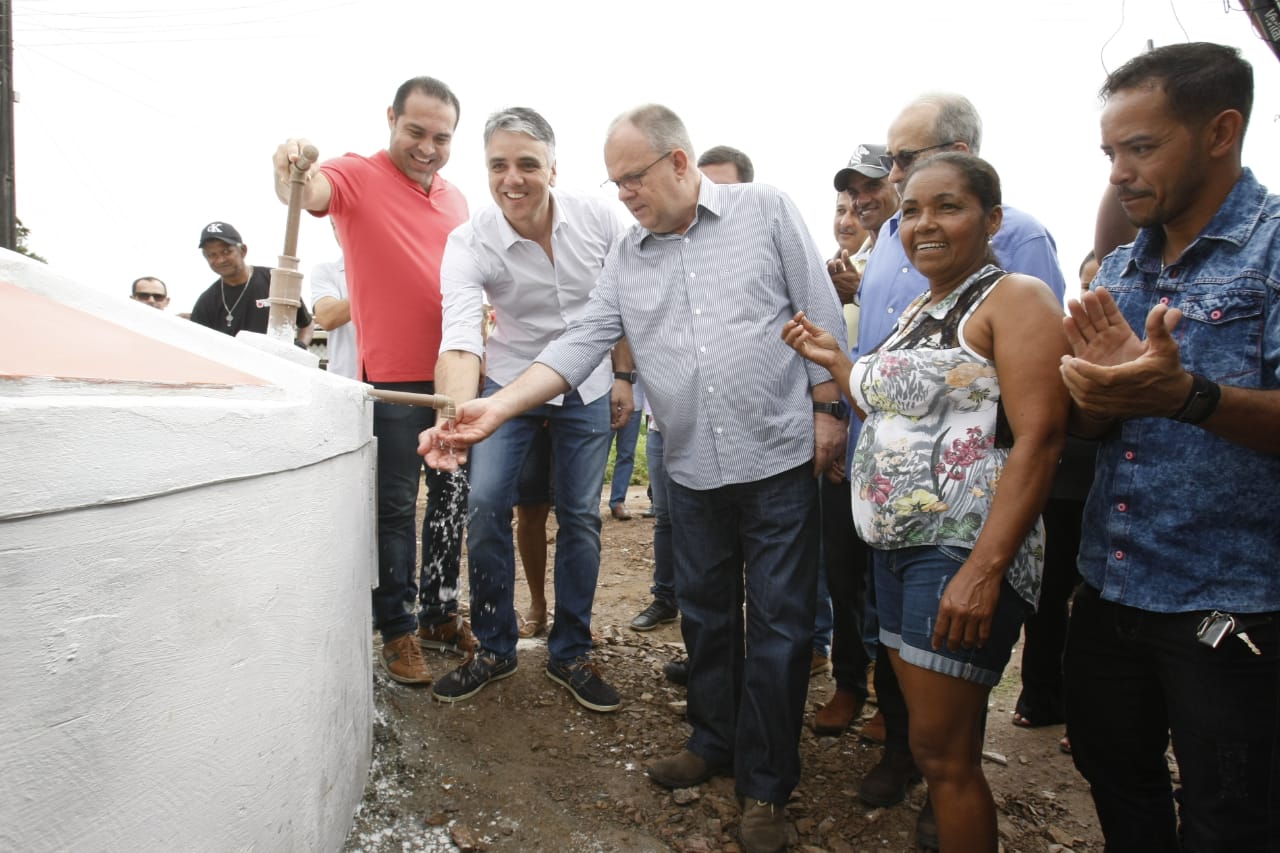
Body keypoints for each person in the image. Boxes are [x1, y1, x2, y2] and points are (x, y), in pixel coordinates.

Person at [420, 104, 845, 853]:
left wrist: (829, 409)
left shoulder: (765, 209)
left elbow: (820, 312)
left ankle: (767, 786)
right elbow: (579, 341)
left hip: (777, 456)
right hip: (689, 464)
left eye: (634, 178)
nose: (625, 196)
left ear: (679, 163)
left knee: (779, 626)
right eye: (615, 183)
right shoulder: (630, 253)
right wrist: (495, 406)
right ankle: (712, 740)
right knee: (708, 614)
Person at [784, 152, 1068, 853]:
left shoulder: (1016, 298)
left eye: (948, 206)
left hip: (959, 551)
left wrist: (983, 569)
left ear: (992, 218)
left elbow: (1042, 437)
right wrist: (840, 362)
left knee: (945, 756)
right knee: (937, 740)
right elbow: (897, 404)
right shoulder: (922, 306)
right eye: (911, 209)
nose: (923, 223)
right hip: (899, 550)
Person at [1060, 42, 1280, 852]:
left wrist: (1189, 396)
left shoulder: (1274, 251)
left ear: (1222, 131)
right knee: (1117, 779)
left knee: (1231, 815)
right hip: (1111, 586)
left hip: (1227, 601)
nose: (1119, 171)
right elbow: (1094, 424)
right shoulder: (1120, 268)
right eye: (1112, 152)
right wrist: (1093, 399)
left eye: (1142, 147)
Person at [271, 76, 474, 686]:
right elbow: (305, 189)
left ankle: (440, 612)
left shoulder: (457, 199)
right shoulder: (355, 175)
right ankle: (397, 627)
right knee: (392, 508)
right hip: (389, 382)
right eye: (416, 131)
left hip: (455, 375)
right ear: (391, 118)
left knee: (451, 503)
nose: (427, 147)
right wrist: (288, 164)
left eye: (441, 137)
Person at [430, 106, 628, 711]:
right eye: (497, 165)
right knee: (487, 503)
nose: (512, 179)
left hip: (589, 386)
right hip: (511, 386)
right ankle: (494, 646)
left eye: (526, 164)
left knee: (580, 516)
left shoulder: (600, 219)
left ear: (552, 167)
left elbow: (623, 302)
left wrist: (622, 376)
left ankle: (571, 651)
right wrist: (459, 415)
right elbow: (462, 336)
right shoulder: (470, 241)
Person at [811, 143, 899, 739]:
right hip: (849, 440)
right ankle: (849, 684)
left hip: (903, 451)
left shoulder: (907, 250)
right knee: (842, 572)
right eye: (847, 196)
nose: (858, 205)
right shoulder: (842, 267)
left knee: (890, 581)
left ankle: (895, 703)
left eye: (869, 190)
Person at [191, 222, 313, 342]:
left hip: (274, 360)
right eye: (212, 255)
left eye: (226, 252)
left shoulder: (275, 281)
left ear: (243, 251)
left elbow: (306, 324)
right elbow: (197, 344)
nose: (220, 260)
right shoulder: (206, 302)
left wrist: (301, 345)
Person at [310, 225, 357, 379]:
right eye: (335, 226)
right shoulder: (326, 271)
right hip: (346, 381)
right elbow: (327, 317)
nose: (342, 231)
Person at [606, 372, 644, 520]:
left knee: (627, 454)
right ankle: (592, 501)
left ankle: (618, 502)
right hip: (609, 401)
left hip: (635, 403)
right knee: (599, 453)